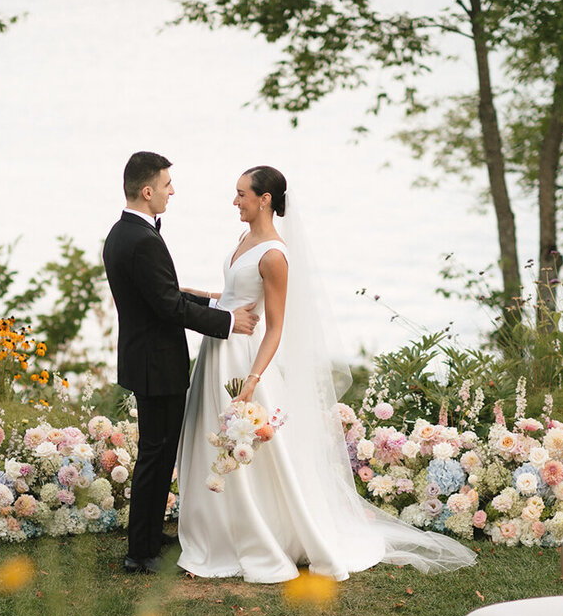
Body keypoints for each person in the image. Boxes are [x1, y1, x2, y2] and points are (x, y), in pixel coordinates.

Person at [175, 166, 477, 582]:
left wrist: (252, 380)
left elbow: (275, 326)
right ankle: (216, 529)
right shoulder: (244, 239)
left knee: (251, 450)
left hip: (245, 358)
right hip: (218, 349)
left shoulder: (275, 255)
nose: (235, 201)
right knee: (214, 436)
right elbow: (234, 293)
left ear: (265, 199)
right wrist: (198, 296)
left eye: (242, 194)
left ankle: (258, 535)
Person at [102, 151, 260, 574]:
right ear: (148, 190)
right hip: (157, 365)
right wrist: (228, 321)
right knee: (156, 455)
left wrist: (206, 299)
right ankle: (141, 552)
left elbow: (161, 296)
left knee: (159, 452)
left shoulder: (122, 233)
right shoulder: (141, 240)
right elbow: (168, 307)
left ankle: (149, 536)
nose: (173, 191)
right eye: (167, 184)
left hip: (145, 359)